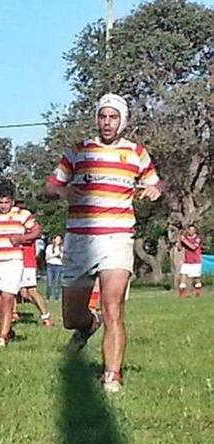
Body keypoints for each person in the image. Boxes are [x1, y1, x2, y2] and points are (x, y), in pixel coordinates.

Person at [44, 93, 162, 393]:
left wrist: (154, 191)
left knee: (114, 307)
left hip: (117, 237)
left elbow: (154, 181)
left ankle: (112, 374)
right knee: (71, 317)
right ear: (97, 118)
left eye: (113, 117)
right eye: (103, 116)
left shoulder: (136, 153)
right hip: (81, 239)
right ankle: (87, 325)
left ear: (123, 120)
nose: (107, 122)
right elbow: (51, 184)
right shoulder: (79, 151)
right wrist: (63, 191)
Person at [0, 183, 40, 347]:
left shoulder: (22, 214)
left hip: (13, 261)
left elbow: (36, 231)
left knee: (8, 297)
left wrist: (21, 239)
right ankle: (7, 329)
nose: (3, 206)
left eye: (6, 202)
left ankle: (2, 336)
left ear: (12, 201)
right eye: (1, 202)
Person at [15, 202, 53, 326]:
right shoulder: (14, 223)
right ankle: (13, 315)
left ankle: (46, 316)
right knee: (20, 292)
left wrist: (18, 239)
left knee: (31, 291)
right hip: (16, 260)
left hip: (27, 260)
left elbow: (34, 235)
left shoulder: (30, 224)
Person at [178, 224, 203, 298]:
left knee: (196, 278)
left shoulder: (198, 238)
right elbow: (179, 248)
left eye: (193, 230)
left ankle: (198, 292)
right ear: (188, 230)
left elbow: (193, 247)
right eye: (190, 230)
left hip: (196, 261)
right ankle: (181, 294)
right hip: (187, 261)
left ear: (195, 230)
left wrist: (184, 240)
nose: (191, 231)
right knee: (183, 275)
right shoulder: (185, 238)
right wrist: (179, 242)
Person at [45, 235, 64, 301]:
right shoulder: (49, 247)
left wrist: (60, 256)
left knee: (57, 282)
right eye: (56, 239)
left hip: (58, 266)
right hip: (50, 265)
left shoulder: (62, 248)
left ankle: (56, 297)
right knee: (49, 282)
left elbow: (63, 259)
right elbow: (47, 258)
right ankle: (48, 296)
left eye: (59, 239)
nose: (58, 241)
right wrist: (55, 255)